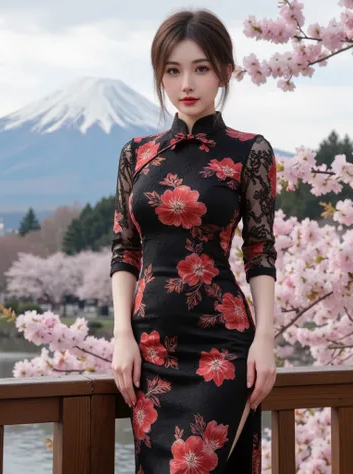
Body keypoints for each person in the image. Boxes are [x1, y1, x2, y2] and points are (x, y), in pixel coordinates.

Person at [110, 8, 277, 474]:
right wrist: (122, 335)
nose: (187, 83)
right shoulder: (136, 154)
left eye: (201, 68)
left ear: (225, 71)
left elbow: (260, 252)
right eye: (173, 70)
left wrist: (265, 339)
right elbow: (124, 251)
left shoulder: (249, 151)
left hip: (219, 351)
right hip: (149, 352)